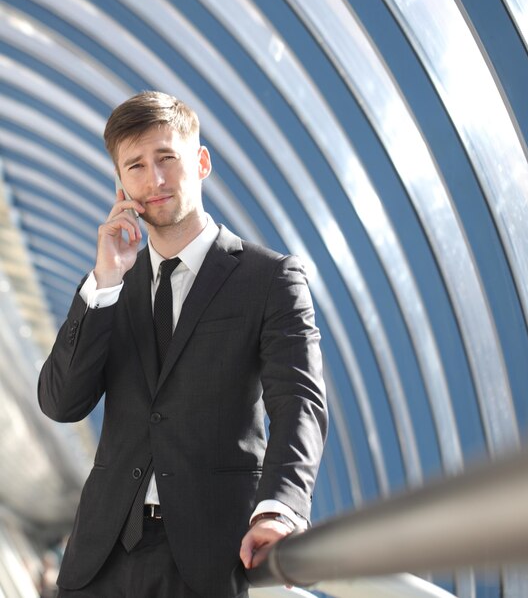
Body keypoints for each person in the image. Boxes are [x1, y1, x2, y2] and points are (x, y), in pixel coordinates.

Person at [37, 91, 328, 598]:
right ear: (121, 184)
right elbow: (61, 402)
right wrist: (104, 279)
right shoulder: (111, 285)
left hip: (210, 560)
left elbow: (298, 401)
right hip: (99, 563)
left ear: (200, 162)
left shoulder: (270, 278)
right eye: (136, 166)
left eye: (166, 158)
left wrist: (280, 508)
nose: (154, 180)